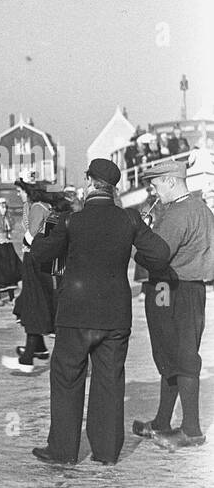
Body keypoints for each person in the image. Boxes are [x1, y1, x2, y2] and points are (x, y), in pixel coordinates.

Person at [25, 160, 170, 465]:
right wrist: (133, 244)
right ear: (113, 187)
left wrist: (48, 225)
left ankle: (63, 451)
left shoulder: (69, 221)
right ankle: (106, 452)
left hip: (75, 313)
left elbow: (40, 254)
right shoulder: (129, 219)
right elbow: (159, 254)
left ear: (90, 181)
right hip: (115, 315)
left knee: (67, 378)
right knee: (109, 379)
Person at [132, 156, 214, 450]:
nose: (154, 192)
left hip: (175, 288)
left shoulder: (181, 212)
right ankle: (162, 421)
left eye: (156, 185)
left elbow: (154, 256)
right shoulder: (192, 207)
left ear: (170, 181)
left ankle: (191, 429)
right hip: (170, 287)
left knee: (182, 355)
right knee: (169, 351)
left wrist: (139, 235)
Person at [3, 180, 62, 372]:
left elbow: (30, 236)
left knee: (33, 304)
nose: (18, 195)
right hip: (45, 260)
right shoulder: (48, 207)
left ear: (28, 191)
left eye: (20, 191)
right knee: (35, 303)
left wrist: (27, 240)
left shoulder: (37, 207)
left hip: (34, 259)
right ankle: (39, 349)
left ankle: (28, 358)